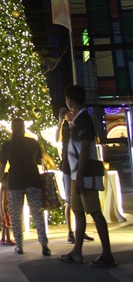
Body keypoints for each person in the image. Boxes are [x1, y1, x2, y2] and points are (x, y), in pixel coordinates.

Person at [58, 84, 116, 268]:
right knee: (78, 211)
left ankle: (107, 254)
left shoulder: (83, 119)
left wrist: (81, 175)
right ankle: (77, 251)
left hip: (84, 174)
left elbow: (85, 148)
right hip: (77, 174)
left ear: (70, 100)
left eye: (67, 98)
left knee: (95, 212)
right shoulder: (78, 119)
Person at [0, 117, 51, 256]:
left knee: (15, 214)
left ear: (12, 128)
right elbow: (39, 161)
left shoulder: (7, 145)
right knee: (37, 213)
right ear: (24, 128)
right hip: (33, 180)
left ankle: (19, 245)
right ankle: (44, 244)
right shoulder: (33, 143)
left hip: (15, 182)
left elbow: (2, 165)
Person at [56, 107, 94, 244]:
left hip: (77, 167)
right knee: (69, 201)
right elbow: (57, 139)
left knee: (80, 203)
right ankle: (70, 232)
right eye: (67, 114)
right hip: (67, 167)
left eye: (70, 113)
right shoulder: (66, 129)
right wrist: (61, 122)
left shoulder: (78, 126)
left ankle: (80, 231)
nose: (69, 115)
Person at [0, 172, 14, 245]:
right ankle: (6, 239)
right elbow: (1, 201)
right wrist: (2, 211)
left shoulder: (8, 189)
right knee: (5, 225)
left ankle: (5, 239)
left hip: (8, 210)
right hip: (5, 210)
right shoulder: (3, 189)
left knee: (7, 225)